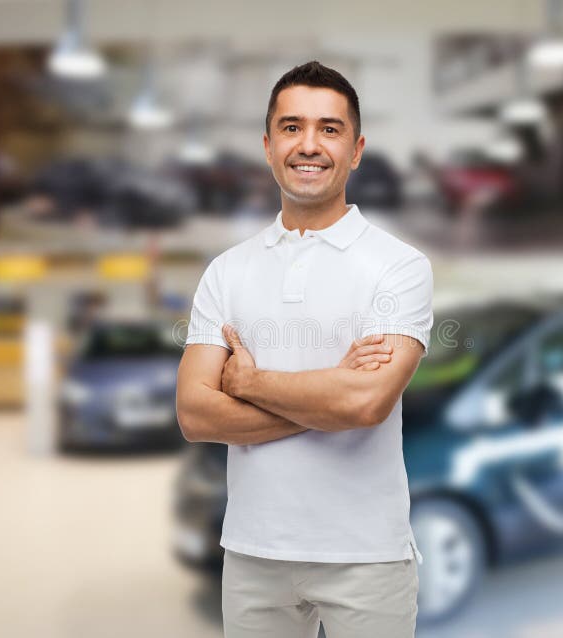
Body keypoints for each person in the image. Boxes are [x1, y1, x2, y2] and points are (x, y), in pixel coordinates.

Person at [176, 60, 433, 638]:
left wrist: (246, 383)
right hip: (252, 552)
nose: (309, 145)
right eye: (291, 128)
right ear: (268, 147)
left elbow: (364, 404)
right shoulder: (226, 272)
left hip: (366, 555)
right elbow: (194, 414)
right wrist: (326, 395)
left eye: (330, 129)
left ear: (357, 149)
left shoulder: (400, 267)